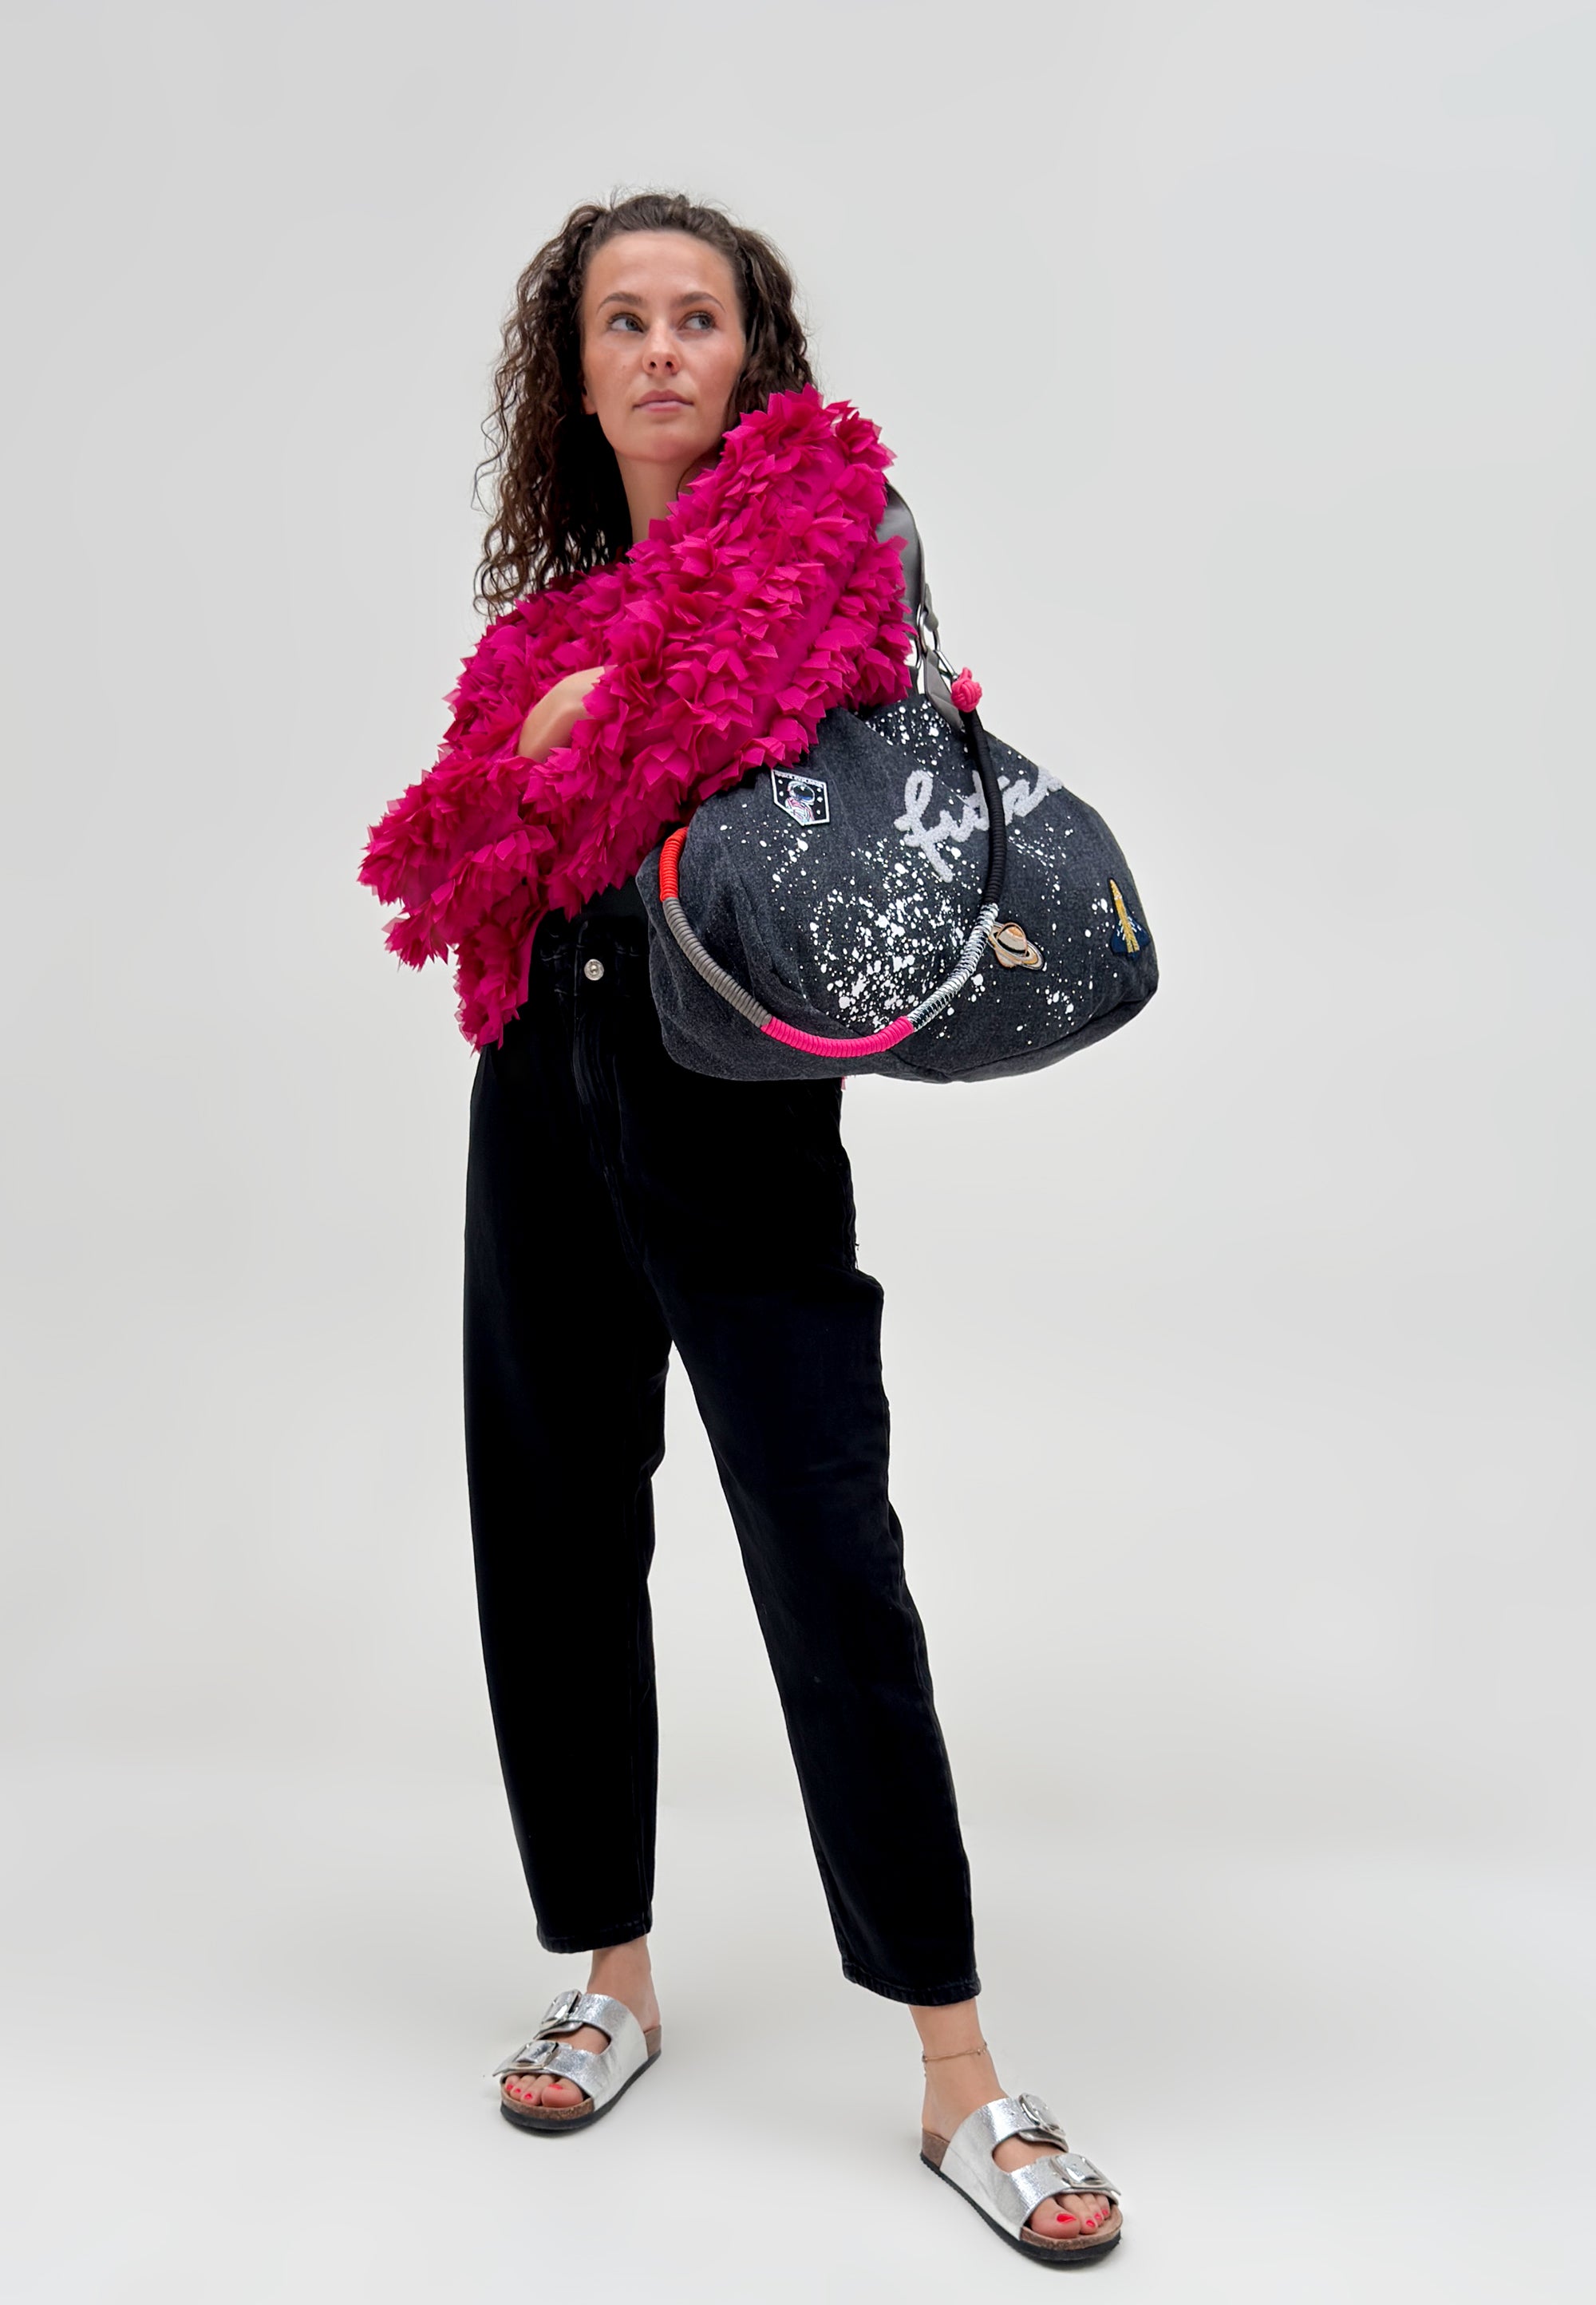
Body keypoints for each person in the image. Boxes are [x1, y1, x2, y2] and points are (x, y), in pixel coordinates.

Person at [362, 192, 1123, 2267]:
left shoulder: (823, 530)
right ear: (576, 374)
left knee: (826, 1547)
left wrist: (568, 744)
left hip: (735, 1107)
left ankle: (960, 2070)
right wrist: (564, 734)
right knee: (549, 1523)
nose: (660, 350)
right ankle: (608, 1972)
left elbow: (715, 726)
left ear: (748, 350)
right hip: (540, 1080)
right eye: (621, 321)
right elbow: (453, 846)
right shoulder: (544, 623)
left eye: (695, 316)